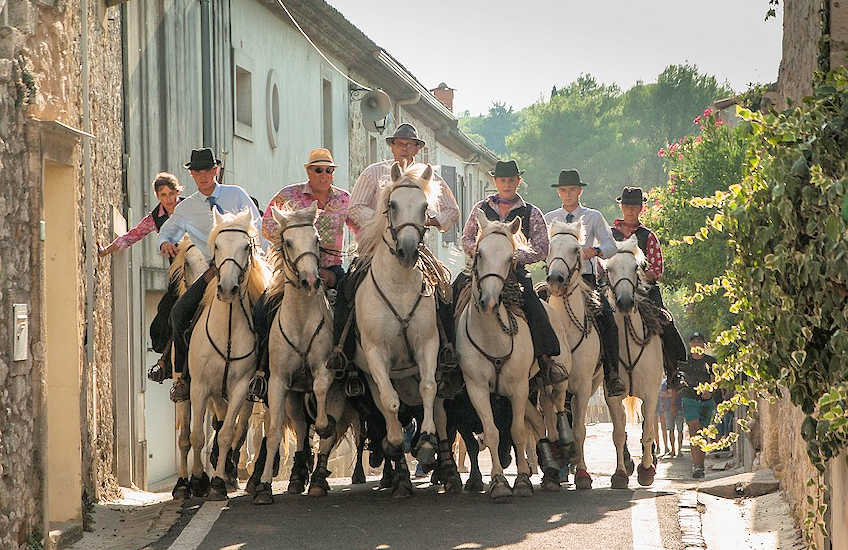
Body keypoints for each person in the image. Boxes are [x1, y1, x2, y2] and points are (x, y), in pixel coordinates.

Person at [344, 123, 460, 368]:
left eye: (411, 144)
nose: (405, 148)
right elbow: (354, 207)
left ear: (417, 148)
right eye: (401, 143)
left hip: (415, 247)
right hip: (375, 249)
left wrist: (430, 219)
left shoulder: (430, 177)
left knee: (444, 289)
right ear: (392, 146)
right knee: (347, 289)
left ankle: (447, 350)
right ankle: (341, 351)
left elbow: (452, 210)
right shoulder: (374, 173)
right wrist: (382, 220)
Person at [158, 147, 268, 402]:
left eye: (207, 170)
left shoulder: (236, 194)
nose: (203, 175)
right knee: (178, 312)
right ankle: (182, 376)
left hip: (245, 268)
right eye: (197, 171)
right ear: (192, 174)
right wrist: (165, 243)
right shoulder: (186, 208)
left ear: (215, 170)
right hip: (211, 271)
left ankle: (264, 374)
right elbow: (167, 231)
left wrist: (261, 259)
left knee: (266, 311)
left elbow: (259, 226)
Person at [460, 159, 568, 385]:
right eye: (502, 180)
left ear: (518, 181)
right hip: (481, 271)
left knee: (534, 306)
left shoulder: (531, 212)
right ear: (495, 181)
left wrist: (517, 256)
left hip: (515, 273)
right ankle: (450, 357)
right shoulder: (481, 208)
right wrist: (480, 252)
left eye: (511, 180)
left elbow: (541, 247)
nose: (507, 184)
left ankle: (546, 360)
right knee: (454, 296)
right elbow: (467, 238)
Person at [253, 148, 354, 387]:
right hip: (292, 272)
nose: (324, 174)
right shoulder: (288, 195)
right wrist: (290, 247)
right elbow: (267, 226)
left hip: (333, 269)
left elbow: (360, 229)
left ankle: (350, 371)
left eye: (329, 170)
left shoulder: (345, 199)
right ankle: (262, 371)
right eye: (318, 169)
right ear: (309, 171)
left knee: (353, 310)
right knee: (260, 311)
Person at [544, 169, 626, 396]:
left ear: (579, 191)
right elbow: (541, 249)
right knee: (537, 315)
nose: (568, 194)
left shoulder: (594, 217)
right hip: (555, 279)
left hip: (586, 280)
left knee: (607, 318)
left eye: (572, 190)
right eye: (563, 190)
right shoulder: (549, 219)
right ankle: (538, 372)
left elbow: (611, 247)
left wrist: (595, 250)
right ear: (559, 192)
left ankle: (612, 374)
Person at [97, 172, 184, 382]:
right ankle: (166, 361)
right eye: (164, 195)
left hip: (199, 268)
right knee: (166, 314)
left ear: (178, 192)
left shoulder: (190, 207)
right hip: (177, 275)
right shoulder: (155, 217)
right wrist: (108, 249)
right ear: (158, 196)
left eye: (171, 193)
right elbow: (133, 234)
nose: (169, 199)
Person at [611, 186, 687, 388]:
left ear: (641, 208)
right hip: (613, 289)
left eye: (634, 206)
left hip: (645, 292)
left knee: (665, 322)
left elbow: (657, 269)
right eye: (627, 205)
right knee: (597, 318)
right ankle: (603, 369)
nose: (630, 209)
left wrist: (639, 276)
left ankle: (673, 369)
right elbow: (602, 261)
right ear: (621, 207)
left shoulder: (648, 236)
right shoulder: (609, 234)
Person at [679, 332, 717, 478]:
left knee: (703, 432)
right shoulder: (685, 361)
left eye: (699, 341)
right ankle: (696, 466)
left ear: (703, 344)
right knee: (694, 429)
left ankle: (700, 465)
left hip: (706, 401)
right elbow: (679, 379)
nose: (697, 344)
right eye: (694, 342)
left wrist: (710, 391)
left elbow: (716, 379)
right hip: (689, 399)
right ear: (690, 345)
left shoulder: (710, 361)